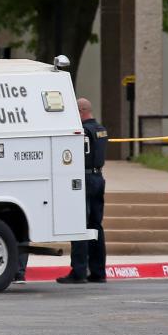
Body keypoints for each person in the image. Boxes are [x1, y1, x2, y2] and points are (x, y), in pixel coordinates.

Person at [57, 97, 107, 284]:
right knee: (96, 225)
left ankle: (78, 271)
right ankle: (98, 271)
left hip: (84, 178)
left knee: (79, 224)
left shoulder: (82, 131)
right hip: (98, 178)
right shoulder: (101, 129)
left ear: (80, 111)